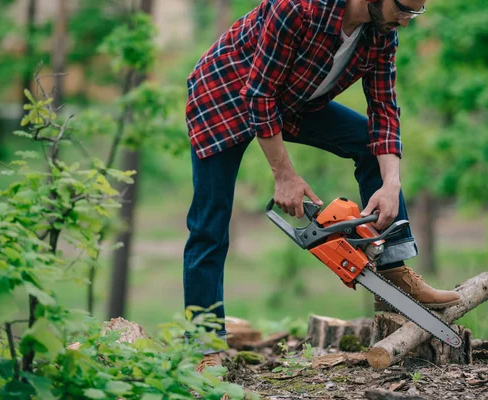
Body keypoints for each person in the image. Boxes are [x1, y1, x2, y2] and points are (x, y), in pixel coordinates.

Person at [184, 0, 460, 371]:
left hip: (294, 99)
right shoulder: (296, 9)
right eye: (404, 9)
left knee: (367, 143)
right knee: (209, 224)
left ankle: (395, 273)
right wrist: (284, 175)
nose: (407, 21)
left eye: (416, 12)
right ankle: (203, 348)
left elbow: (384, 110)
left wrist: (391, 183)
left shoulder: (382, 33)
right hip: (226, 96)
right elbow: (259, 95)